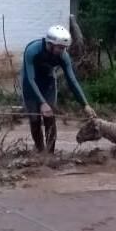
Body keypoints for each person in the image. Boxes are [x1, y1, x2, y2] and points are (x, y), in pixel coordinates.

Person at [21, 25, 96, 153]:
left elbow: (72, 81)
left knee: (50, 117)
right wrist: (42, 103)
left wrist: (85, 105)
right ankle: (40, 150)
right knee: (35, 119)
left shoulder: (63, 56)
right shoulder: (32, 51)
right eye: (60, 47)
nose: (63, 50)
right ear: (50, 44)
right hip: (30, 83)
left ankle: (50, 154)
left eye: (65, 48)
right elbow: (30, 79)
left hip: (48, 83)